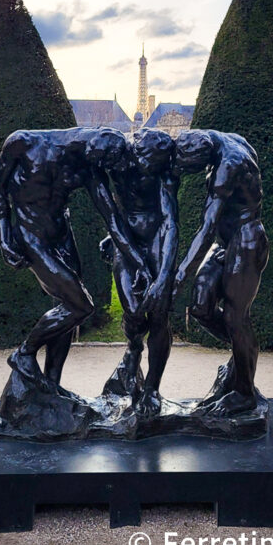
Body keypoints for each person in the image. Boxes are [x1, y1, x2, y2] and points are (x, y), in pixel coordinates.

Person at [0, 127, 147, 386]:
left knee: (64, 310)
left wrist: (137, 261)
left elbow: (111, 218)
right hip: (31, 236)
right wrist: (5, 238)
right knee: (80, 305)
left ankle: (52, 383)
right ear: (92, 149)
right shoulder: (23, 143)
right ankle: (24, 353)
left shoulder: (87, 167)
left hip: (62, 234)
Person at [173, 129, 269, 415]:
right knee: (201, 306)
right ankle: (243, 354)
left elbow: (206, 228)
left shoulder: (227, 166)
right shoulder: (229, 139)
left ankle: (243, 393)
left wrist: (179, 275)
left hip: (247, 240)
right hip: (226, 242)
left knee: (234, 316)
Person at [100, 128, 178, 414]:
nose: (151, 168)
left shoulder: (163, 174)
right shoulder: (117, 162)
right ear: (137, 151)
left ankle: (152, 389)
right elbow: (111, 208)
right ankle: (133, 349)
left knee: (159, 315)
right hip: (126, 239)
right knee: (133, 311)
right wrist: (114, 234)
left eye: (157, 163)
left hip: (156, 238)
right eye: (147, 160)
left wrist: (164, 276)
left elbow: (170, 223)